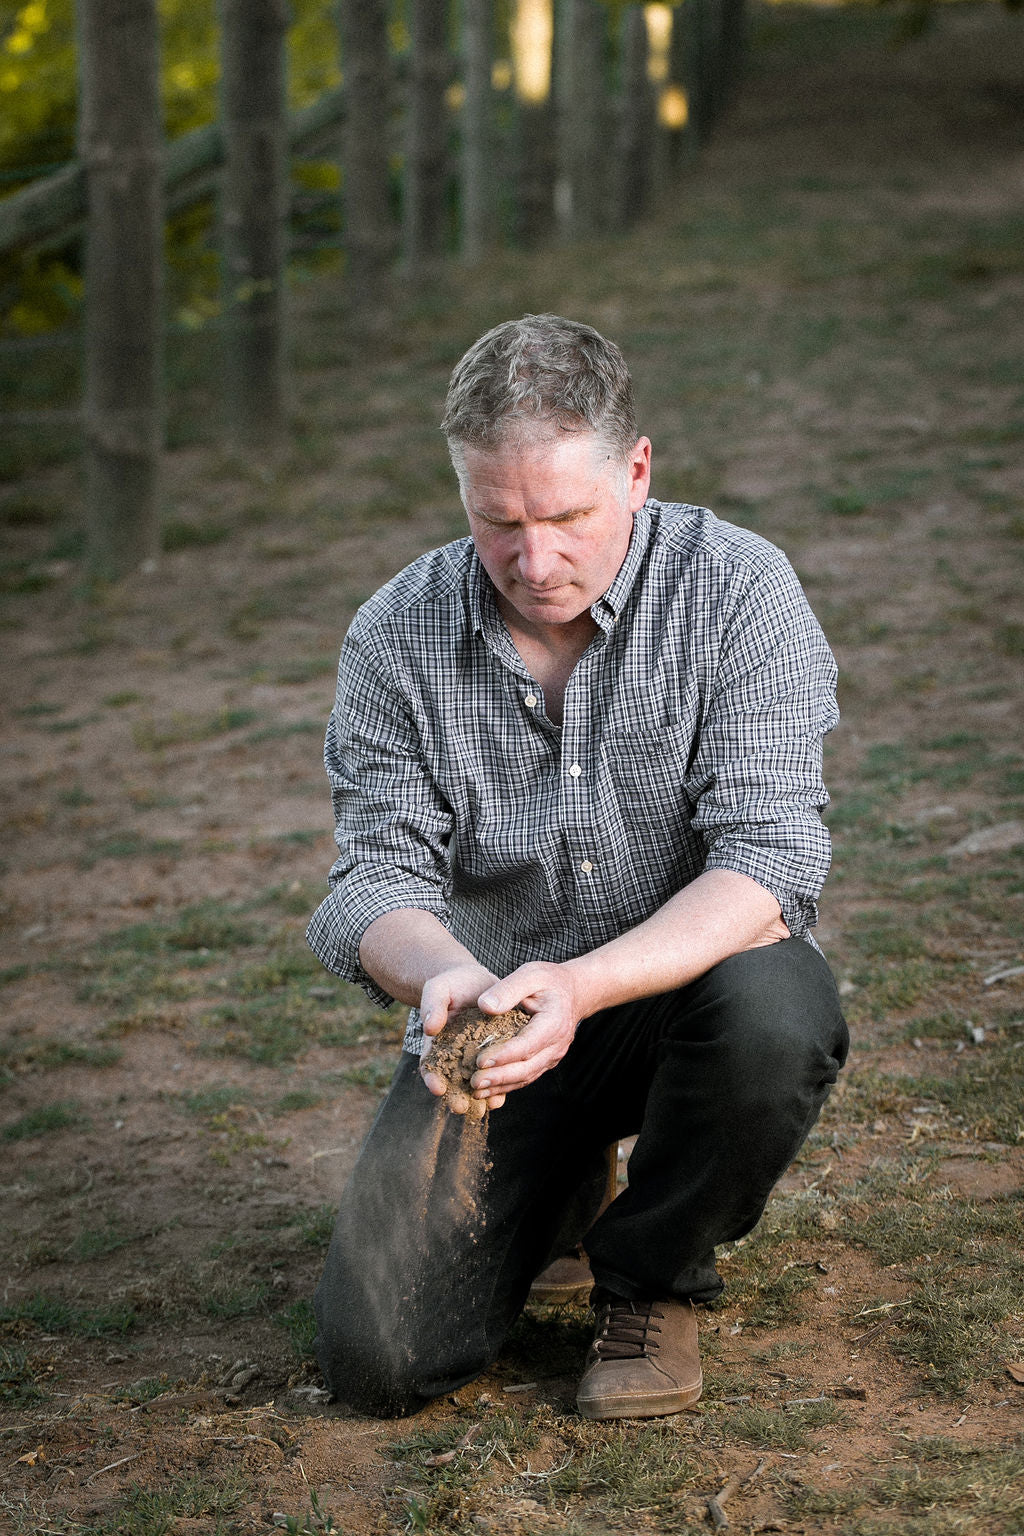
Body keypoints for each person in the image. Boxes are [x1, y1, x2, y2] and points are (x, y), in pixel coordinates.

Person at [306, 313, 848, 1421]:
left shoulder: (738, 590)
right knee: (379, 1364)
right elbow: (370, 883)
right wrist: (441, 977)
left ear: (636, 472)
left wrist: (586, 985)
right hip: (496, 1029)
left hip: (680, 996)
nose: (532, 559)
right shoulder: (395, 633)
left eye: (566, 516)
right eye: (495, 520)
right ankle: (553, 1184)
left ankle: (652, 1274)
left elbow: (768, 862)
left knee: (777, 1010)